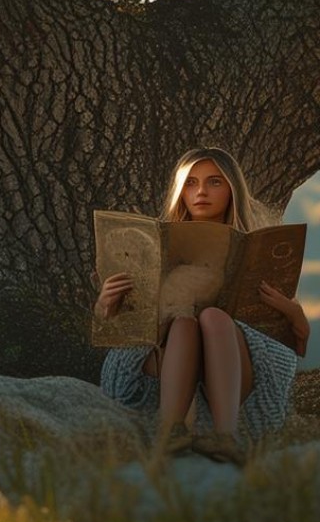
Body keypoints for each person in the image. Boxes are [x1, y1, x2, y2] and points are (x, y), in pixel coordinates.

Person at [95, 147, 307, 465]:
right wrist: (105, 307)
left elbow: (295, 346)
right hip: (160, 365)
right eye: (191, 183)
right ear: (180, 190)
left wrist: (297, 318)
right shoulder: (152, 246)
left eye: (214, 182)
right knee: (183, 324)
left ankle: (225, 437)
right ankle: (171, 431)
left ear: (232, 189)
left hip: (233, 373)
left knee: (213, 317)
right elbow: (116, 332)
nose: (201, 192)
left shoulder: (257, 250)